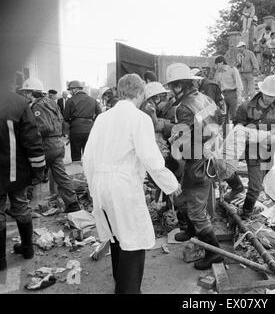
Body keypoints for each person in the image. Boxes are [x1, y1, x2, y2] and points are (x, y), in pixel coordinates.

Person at [83, 74, 181, 294]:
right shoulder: (139, 118)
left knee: (117, 237)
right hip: (122, 186)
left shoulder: (102, 118)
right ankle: (128, 290)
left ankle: (121, 282)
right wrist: (171, 184)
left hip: (101, 184)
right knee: (133, 241)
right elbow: (151, 157)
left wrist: (93, 189)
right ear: (140, 93)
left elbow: (87, 157)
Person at [165, 63, 225, 270]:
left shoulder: (183, 107)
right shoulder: (205, 98)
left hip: (197, 162)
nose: (171, 91)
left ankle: (213, 253)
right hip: (209, 156)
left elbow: (187, 141)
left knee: (196, 209)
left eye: (173, 86)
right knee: (185, 199)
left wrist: (175, 141)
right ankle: (191, 232)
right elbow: (218, 120)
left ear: (179, 86)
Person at [223, 75, 275, 218]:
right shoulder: (246, 106)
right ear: (261, 91)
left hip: (260, 150)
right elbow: (237, 125)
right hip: (243, 144)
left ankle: (246, 212)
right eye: (267, 95)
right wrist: (247, 131)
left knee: (255, 187)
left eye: (273, 96)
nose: (269, 98)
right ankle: (237, 187)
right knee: (224, 168)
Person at [20, 78, 81, 213]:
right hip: (58, 145)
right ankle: (72, 204)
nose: (25, 96)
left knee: (31, 173)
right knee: (61, 176)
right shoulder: (51, 102)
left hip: (47, 145)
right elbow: (62, 122)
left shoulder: (37, 107)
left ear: (31, 93)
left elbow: (44, 127)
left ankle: (24, 207)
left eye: (26, 93)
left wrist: (29, 134)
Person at [1, 89, 46, 272]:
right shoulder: (18, 103)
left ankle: (0, 260)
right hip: (15, 172)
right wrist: (38, 171)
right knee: (21, 206)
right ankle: (27, 249)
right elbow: (32, 141)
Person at [64, 80, 102, 162]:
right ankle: (88, 174)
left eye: (70, 89)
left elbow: (66, 117)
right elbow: (100, 114)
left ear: (75, 89)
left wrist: (73, 122)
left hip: (75, 131)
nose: (70, 92)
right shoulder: (93, 100)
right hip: (89, 130)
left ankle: (77, 173)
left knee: (76, 156)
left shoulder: (70, 101)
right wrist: (91, 122)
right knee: (88, 156)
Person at [214, 56, 243, 124]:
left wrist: (239, 96)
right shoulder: (219, 72)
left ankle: (237, 133)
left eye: (217, 64)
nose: (216, 66)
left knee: (234, 116)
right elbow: (216, 83)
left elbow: (239, 83)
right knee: (224, 117)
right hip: (223, 95)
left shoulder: (232, 69)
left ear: (221, 63)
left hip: (232, 95)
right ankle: (225, 134)